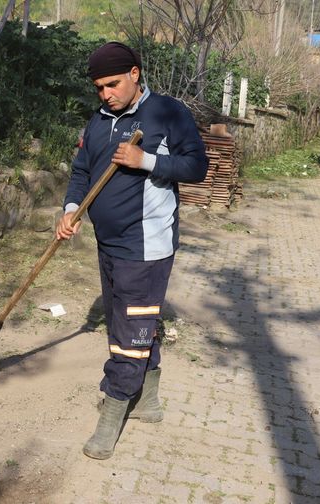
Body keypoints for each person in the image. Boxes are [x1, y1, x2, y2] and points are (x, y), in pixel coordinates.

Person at [55, 41, 208, 460]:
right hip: (109, 244)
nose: (106, 94)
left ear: (135, 74)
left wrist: (146, 161)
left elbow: (197, 166)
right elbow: (81, 172)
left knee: (128, 333)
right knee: (129, 324)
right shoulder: (98, 121)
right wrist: (70, 211)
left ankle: (113, 409)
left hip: (148, 245)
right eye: (99, 87)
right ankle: (149, 403)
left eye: (112, 84)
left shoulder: (166, 113)